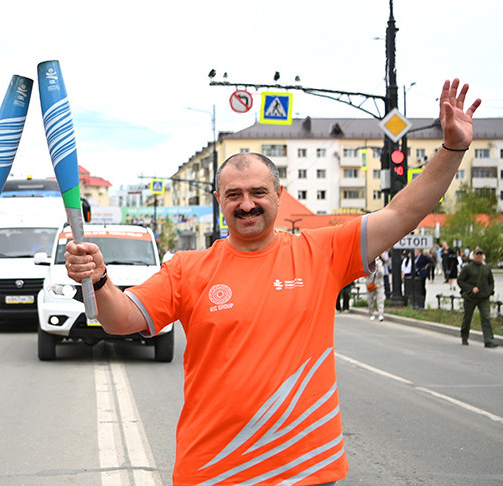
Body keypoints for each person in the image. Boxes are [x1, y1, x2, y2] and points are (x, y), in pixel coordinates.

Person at [64, 79, 480, 485]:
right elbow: (120, 321)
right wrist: (99, 280)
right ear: (219, 201)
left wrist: (453, 148)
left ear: (279, 194)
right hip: (214, 470)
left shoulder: (321, 252)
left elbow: (403, 212)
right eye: (234, 195)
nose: (247, 204)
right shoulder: (186, 268)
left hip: (306, 470)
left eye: (258, 192)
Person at [457, 247, 498, 348]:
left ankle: (488, 340)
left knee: (486, 318)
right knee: (467, 318)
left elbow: (491, 281)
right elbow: (460, 281)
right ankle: (464, 336)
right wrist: (470, 289)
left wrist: (489, 291)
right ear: (474, 256)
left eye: (480, 255)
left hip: (483, 297)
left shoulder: (486, 269)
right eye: (477, 254)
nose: (479, 256)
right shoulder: (467, 268)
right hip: (471, 297)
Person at [366, 255, 386, 321]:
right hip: (370, 283)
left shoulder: (380, 263)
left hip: (379, 284)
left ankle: (381, 314)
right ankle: (371, 313)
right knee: (370, 300)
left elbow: (382, 274)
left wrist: (378, 269)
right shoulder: (368, 264)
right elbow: (365, 274)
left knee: (380, 299)